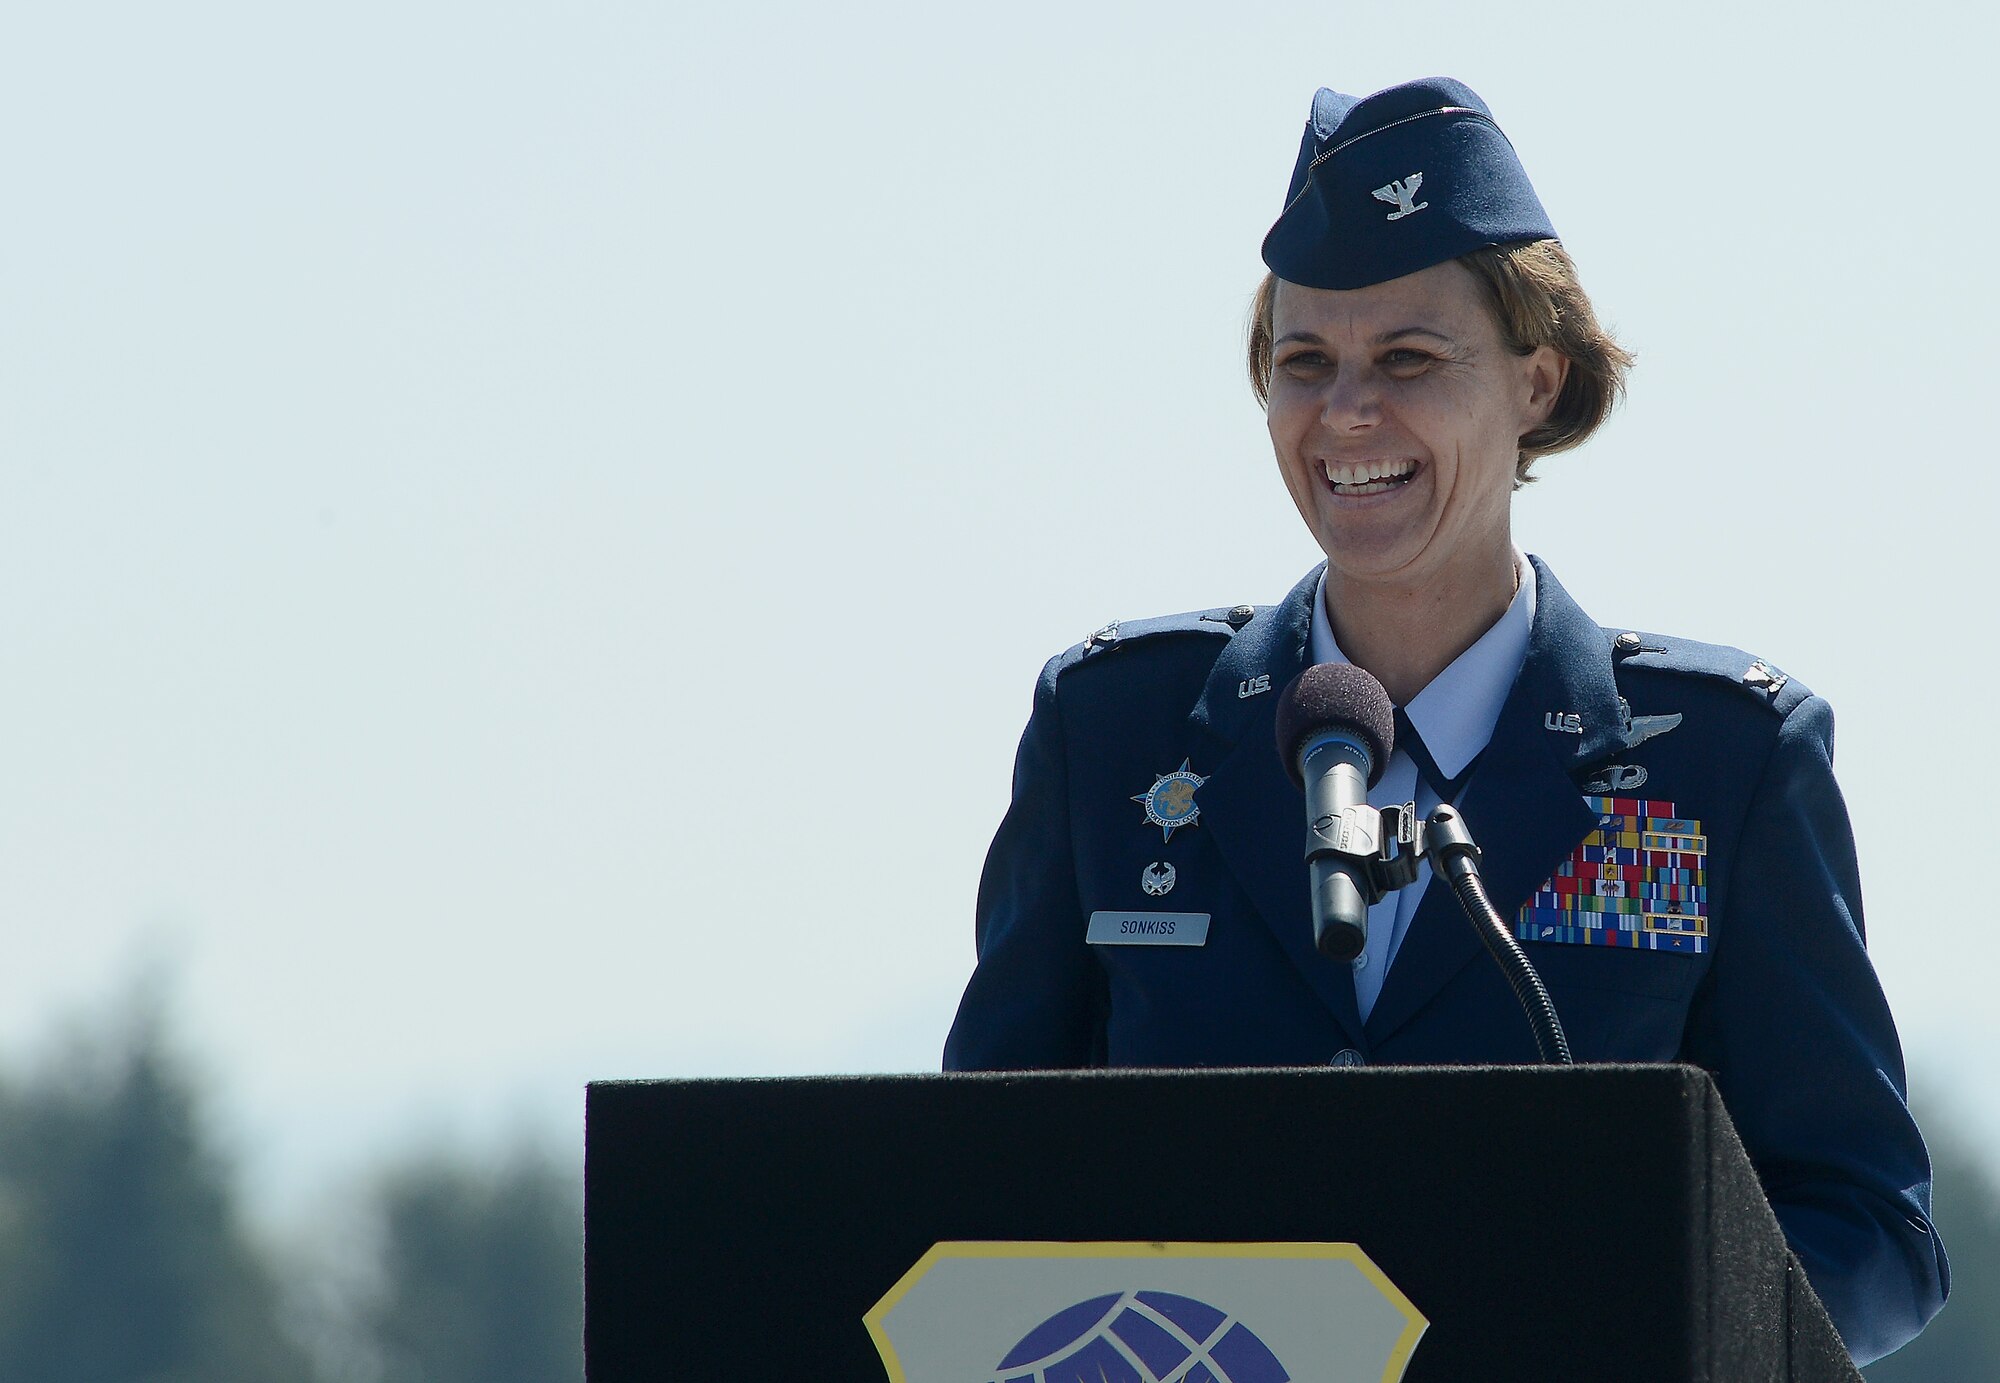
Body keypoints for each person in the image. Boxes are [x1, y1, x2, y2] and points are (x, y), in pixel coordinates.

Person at [942, 77, 1948, 1364]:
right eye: (1302, 363)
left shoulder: (1721, 760)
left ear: (1537, 381)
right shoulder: (1117, 731)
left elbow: (1866, 1230)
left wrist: (1659, 1340)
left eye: (1408, 360)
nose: (1347, 412)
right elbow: (968, 1182)